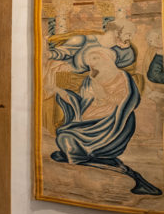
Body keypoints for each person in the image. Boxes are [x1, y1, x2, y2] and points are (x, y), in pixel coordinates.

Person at [50, 46, 161, 195]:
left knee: (67, 139)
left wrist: (104, 95)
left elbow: (128, 101)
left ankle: (87, 157)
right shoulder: (90, 80)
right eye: (89, 61)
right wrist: (62, 93)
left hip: (112, 124)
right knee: (63, 136)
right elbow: (82, 103)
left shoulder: (122, 76)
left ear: (106, 58)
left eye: (95, 58)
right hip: (88, 123)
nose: (92, 63)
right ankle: (89, 158)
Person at [46, 19, 136, 73]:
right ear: (117, 32)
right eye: (128, 34)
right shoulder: (83, 40)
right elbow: (61, 53)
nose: (131, 38)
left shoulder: (125, 53)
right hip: (65, 72)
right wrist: (49, 55)